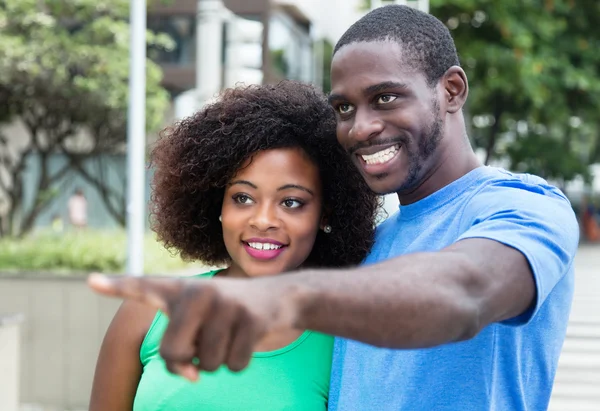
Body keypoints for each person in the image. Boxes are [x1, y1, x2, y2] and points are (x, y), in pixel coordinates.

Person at [89, 5, 580, 410]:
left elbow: (465, 294)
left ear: (450, 90)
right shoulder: (373, 246)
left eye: (385, 98)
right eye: (344, 108)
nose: (360, 127)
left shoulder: (525, 207)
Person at [88, 81, 379, 410]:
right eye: (243, 198)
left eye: (292, 202)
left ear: (325, 213)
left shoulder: (342, 344)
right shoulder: (145, 313)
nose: (263, 219)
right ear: (218, 206)